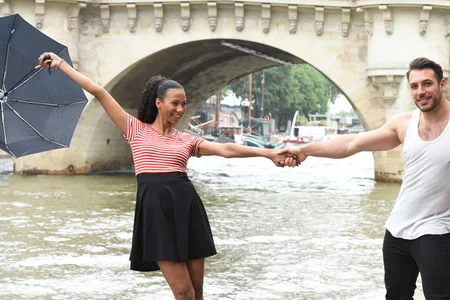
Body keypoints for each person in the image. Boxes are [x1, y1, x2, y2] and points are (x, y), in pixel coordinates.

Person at [36, 52, 299, 300]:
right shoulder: (134, 130)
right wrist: (61, 64)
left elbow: (227, 149)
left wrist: (269, 153)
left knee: (197, 294)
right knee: (183, 292)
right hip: (156, 213)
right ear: (158, 103)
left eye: (184, 104)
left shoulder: (187, 140)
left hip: (188, 209)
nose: (181, 109)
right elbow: (99, 91)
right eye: (175, 103)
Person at [279, 57, 450, 299]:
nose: (420, 92)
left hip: (435, 232)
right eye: (414, 86)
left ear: (442, 85)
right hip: (396, 232)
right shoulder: (403, 124)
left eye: (427, 84)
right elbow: (352, 144)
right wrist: (304, 150)